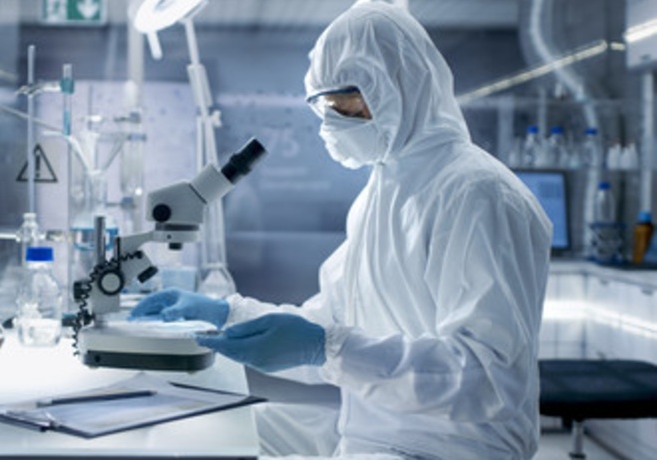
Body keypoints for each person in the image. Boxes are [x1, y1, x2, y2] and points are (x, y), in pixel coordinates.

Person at [130, 1, 552, 459]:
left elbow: (488, 379)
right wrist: (225, 314)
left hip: (446, 447)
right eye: (324, 103)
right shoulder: (381, 191)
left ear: (402, 85)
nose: (331, 117)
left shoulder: (477, 194)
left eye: (346, 100)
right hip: (373, 429)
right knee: (209, 431)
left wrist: (324, 349)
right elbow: (330, 328)